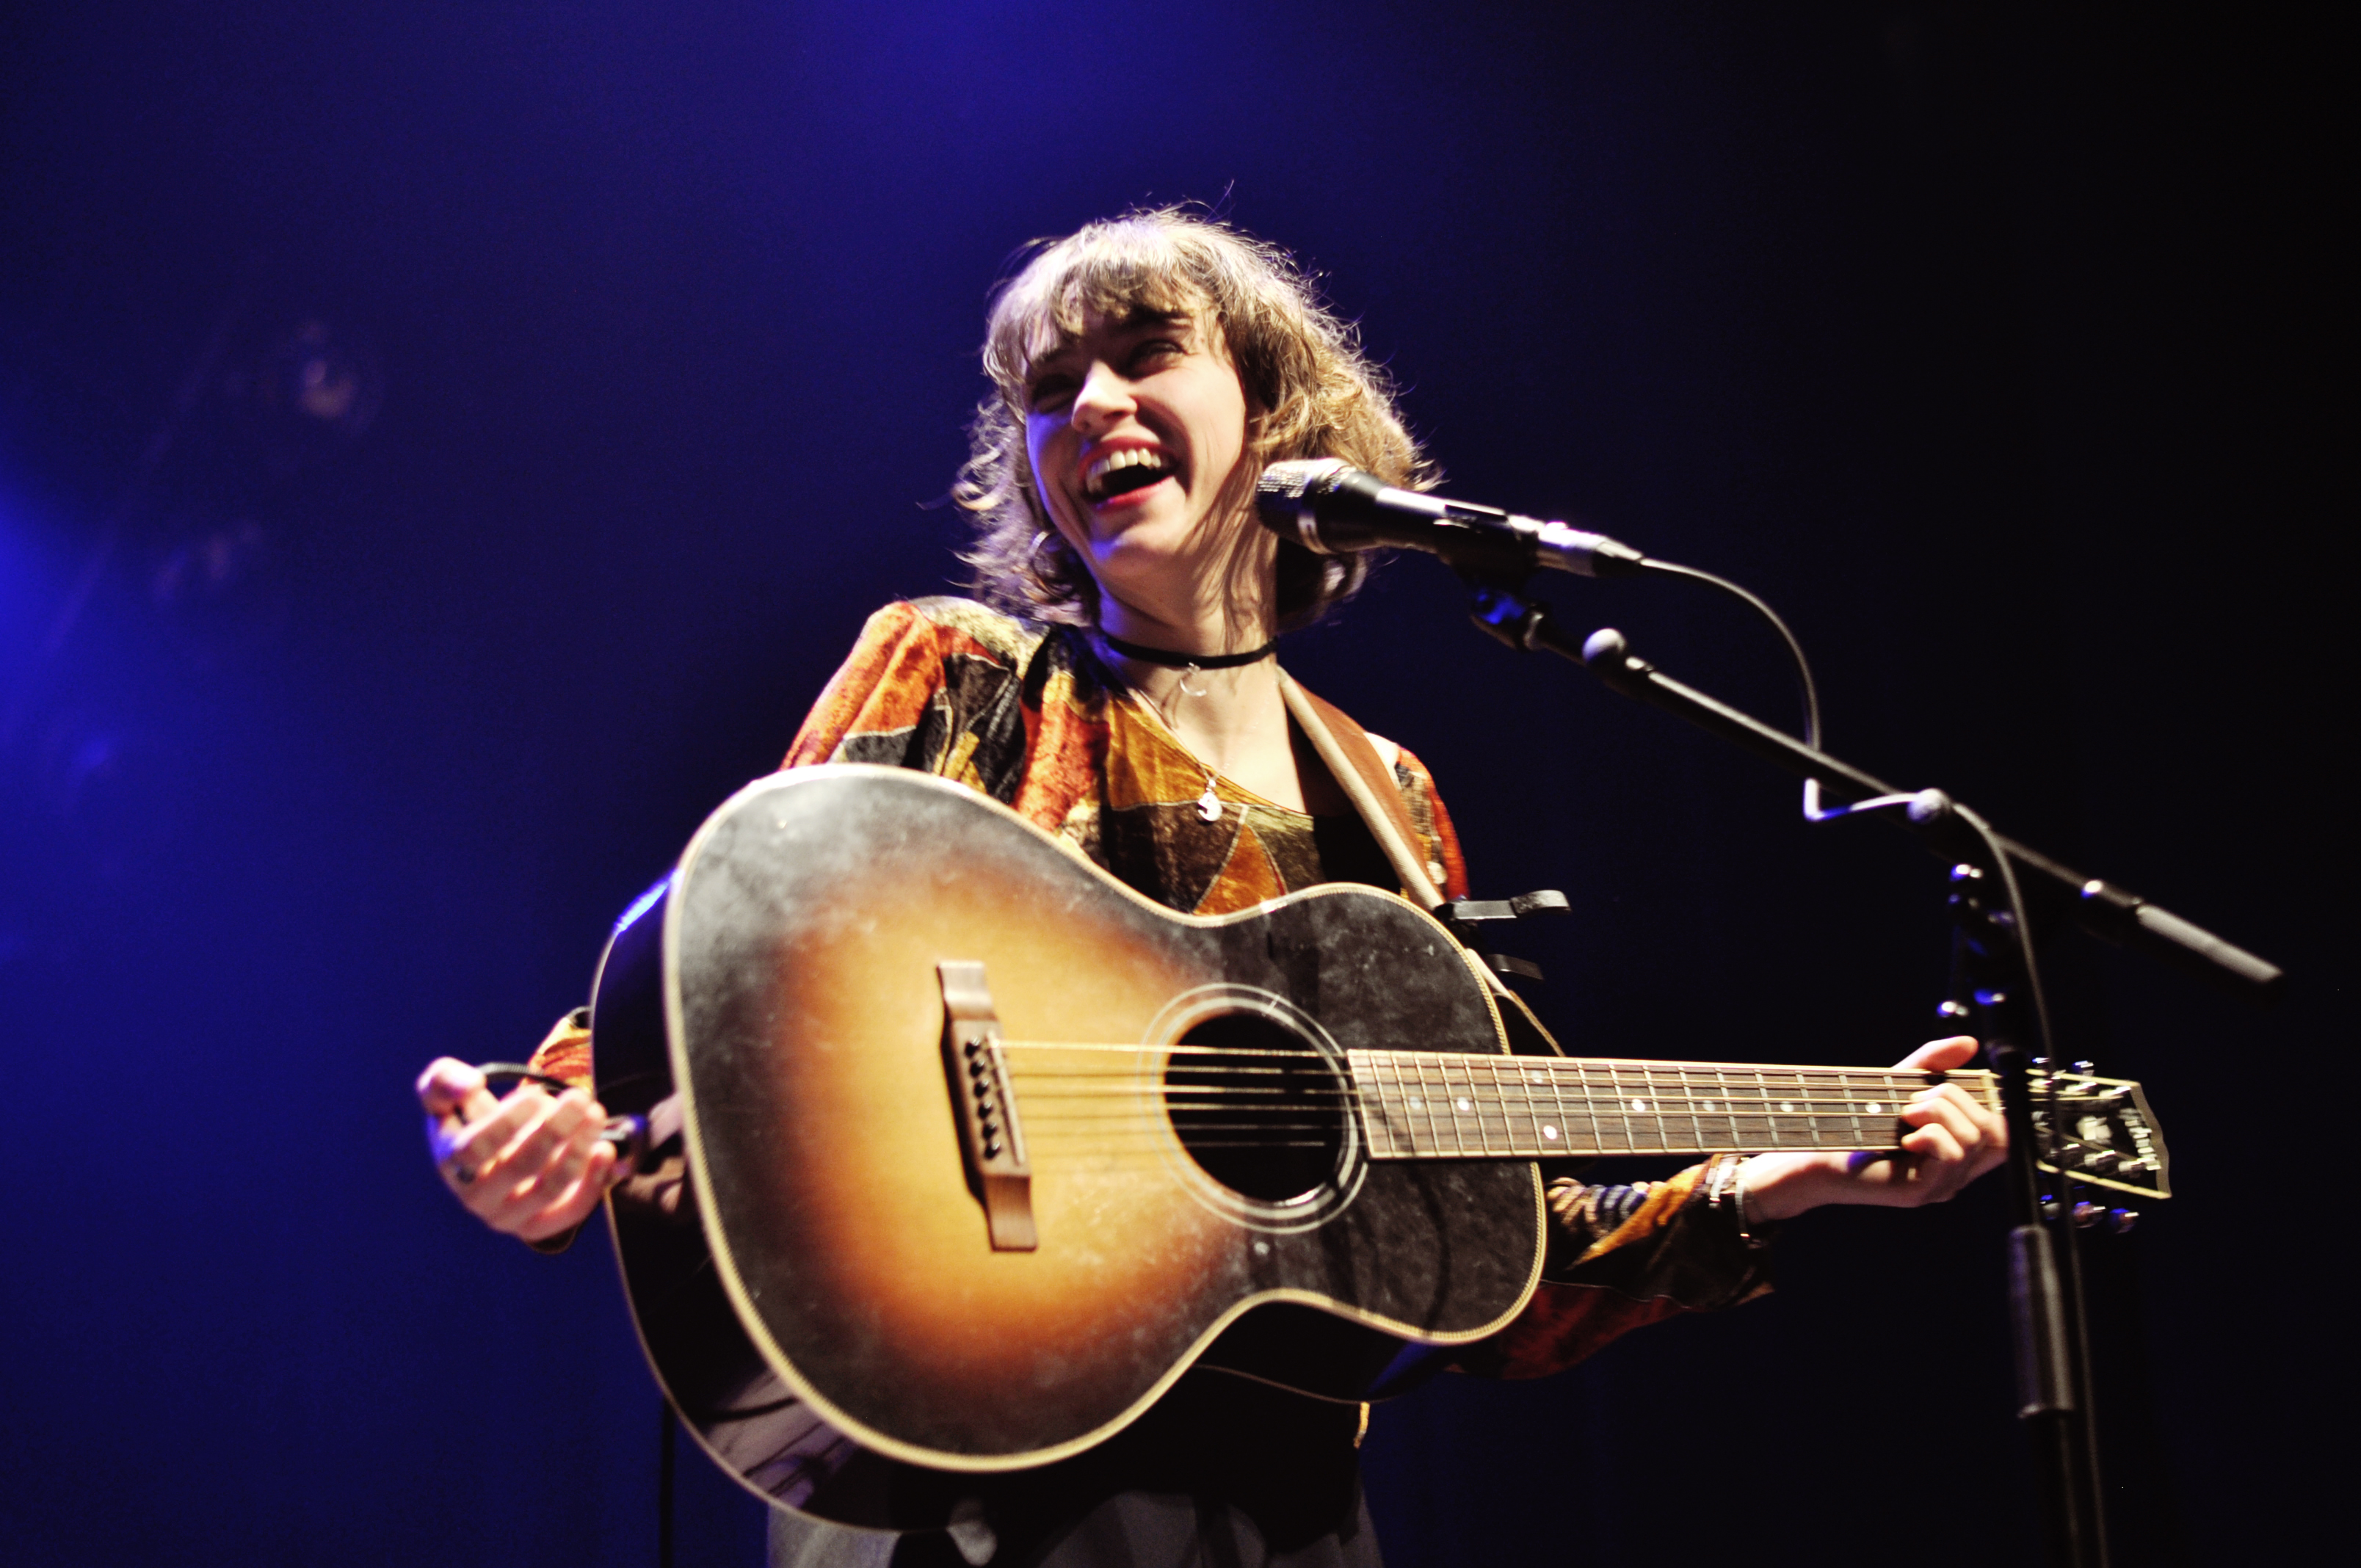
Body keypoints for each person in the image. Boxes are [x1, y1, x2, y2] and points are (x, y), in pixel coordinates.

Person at [415, 207, 2006, 1567]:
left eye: (1144, 353)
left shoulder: (1389, 804)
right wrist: (561, 1119)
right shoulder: (965, 674)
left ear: (1277, 411)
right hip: (967, 1465)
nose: (1091, 406)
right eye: (1050, 390)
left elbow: (1484, 1257)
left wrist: (1791, 1176)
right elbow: (732, 949)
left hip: (1281, 1506)